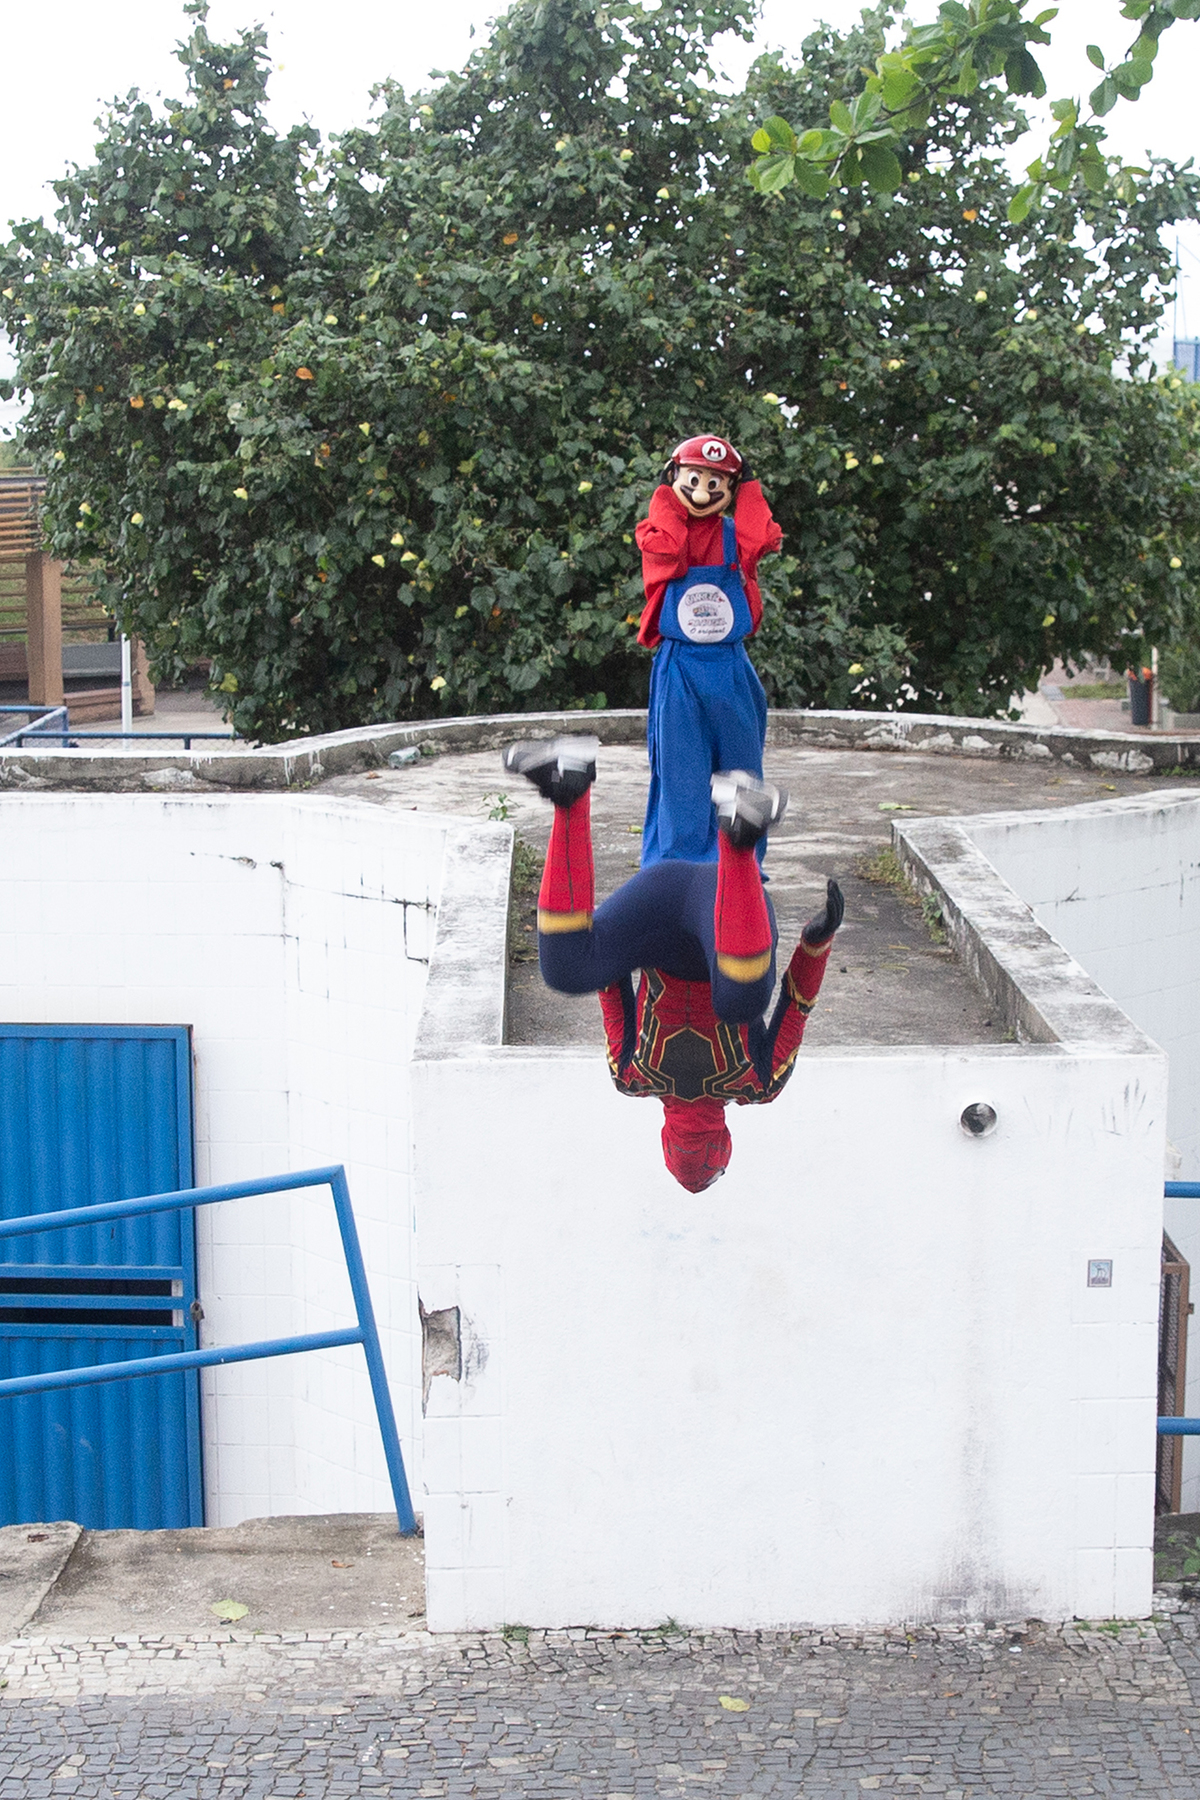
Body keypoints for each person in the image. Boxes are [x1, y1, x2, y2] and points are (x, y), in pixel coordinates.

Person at [503, 736, 843, 1192]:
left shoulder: (757, 1085)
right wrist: (600, 942)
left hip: (706, 917)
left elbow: (797, 1003)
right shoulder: (630, 1076)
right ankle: (725, 827)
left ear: (724, 1142)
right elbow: (608, 983)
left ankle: (574, 785)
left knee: (741, 999)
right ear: (665, 1140)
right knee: (567, 971)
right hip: (684, 907)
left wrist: (816, 942)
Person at [635, 435, 783, 868]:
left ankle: (740, 867)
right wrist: (667, 495)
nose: (702, 493)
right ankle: (678, 870)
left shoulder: (736, 537)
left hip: (730, 667)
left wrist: (749, 487)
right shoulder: (657, 531)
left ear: (732, 489)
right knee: (680, 771)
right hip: (680, 667)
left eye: (716, 483)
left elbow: (763, 537)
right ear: (673, 477)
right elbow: (669, 548)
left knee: (741, 769)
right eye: (693, 478)